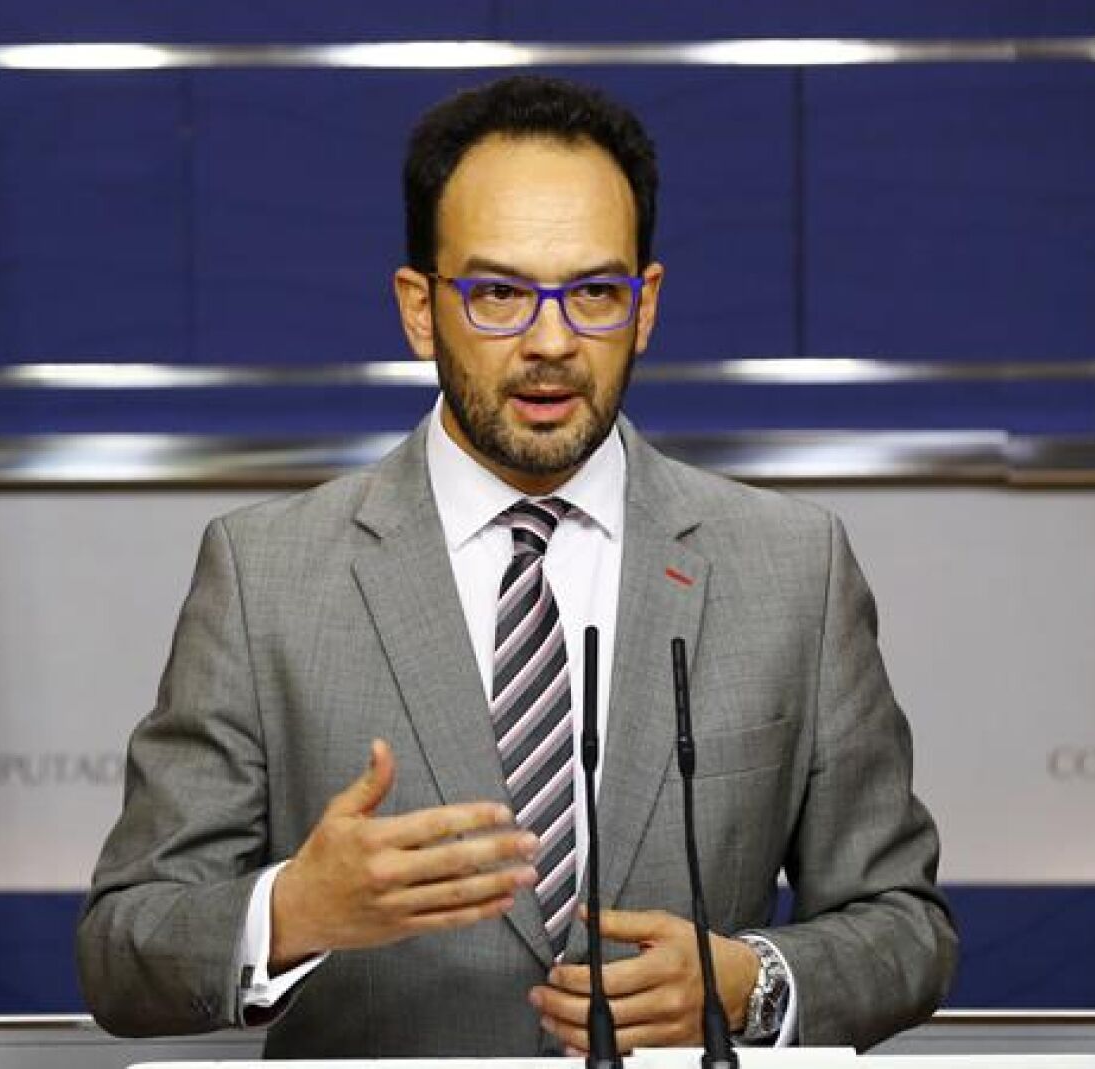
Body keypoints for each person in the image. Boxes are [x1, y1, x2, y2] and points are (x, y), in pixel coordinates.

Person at [76, 74, 956, 1058]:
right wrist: (291, 911)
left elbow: (905, 926)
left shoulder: (792, 567)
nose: (550, 341)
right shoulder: (264, 574)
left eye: (592, 293)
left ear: (645, 304)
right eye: (497, 292)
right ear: (419, 309)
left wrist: (754, 982)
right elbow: (122, 949)